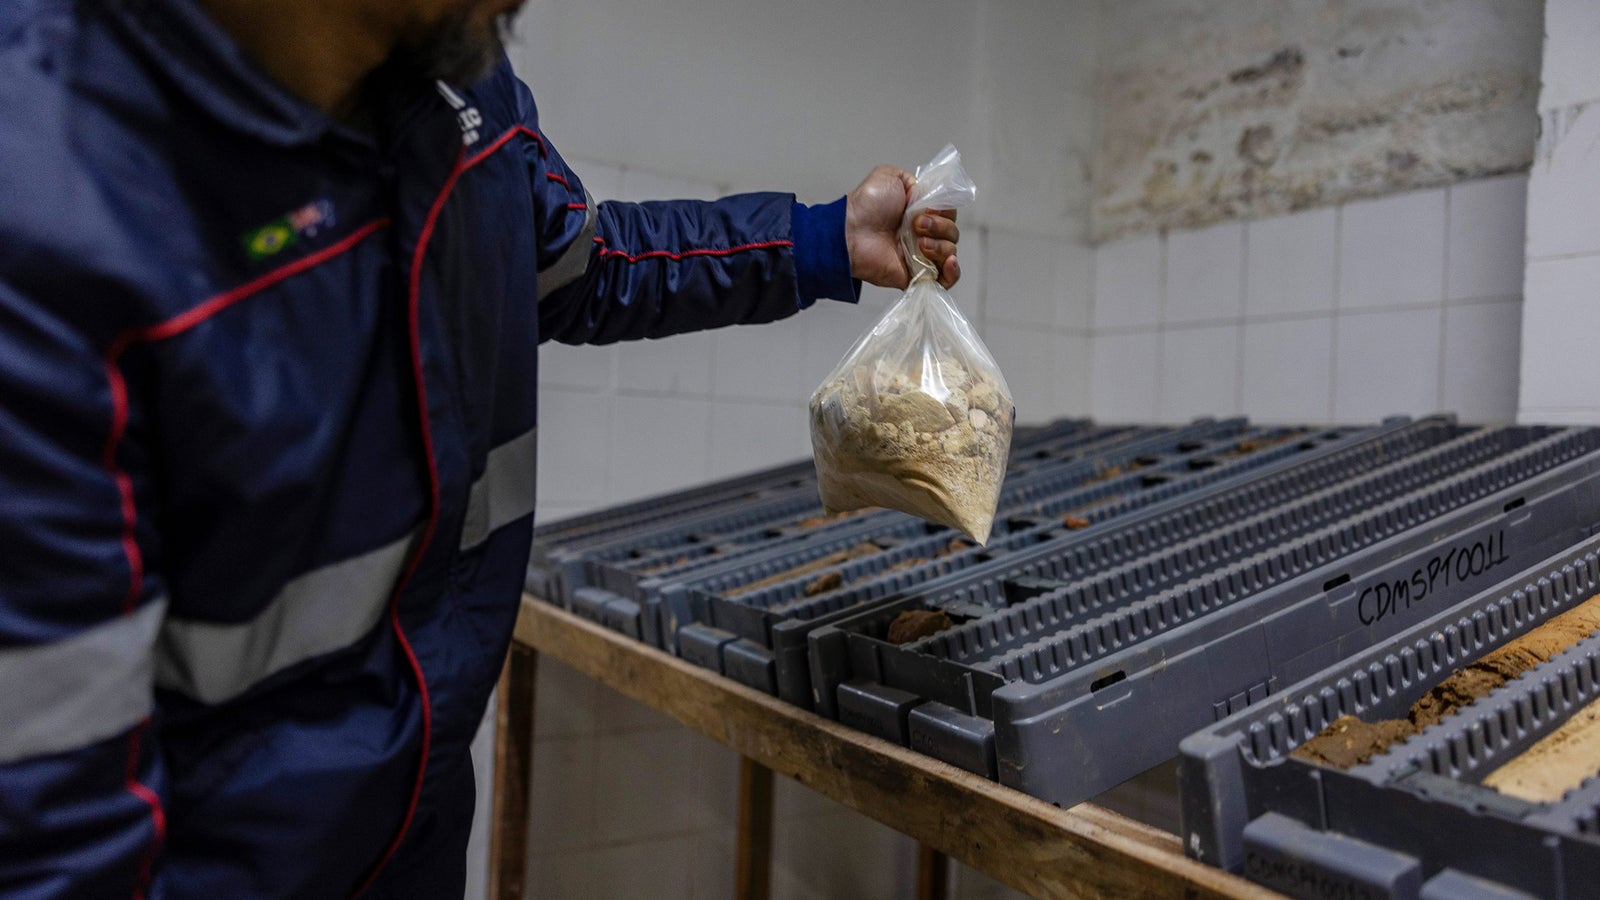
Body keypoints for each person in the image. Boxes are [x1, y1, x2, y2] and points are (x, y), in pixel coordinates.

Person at [0, 0, 961, 896]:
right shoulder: (52, 195)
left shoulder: (461, 85)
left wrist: (825, 238)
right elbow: (53, 829)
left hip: (412, 830)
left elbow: (578, 265)